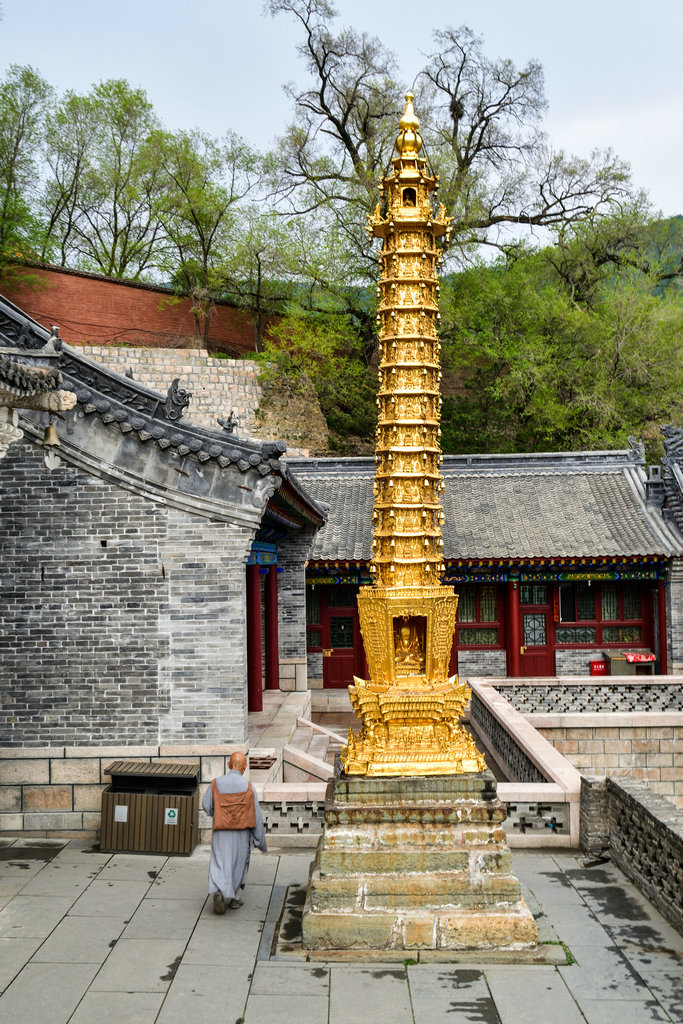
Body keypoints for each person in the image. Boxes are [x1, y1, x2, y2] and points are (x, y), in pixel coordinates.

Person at [201, 751, 267, 914]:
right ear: (244, 768)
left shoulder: (216, 783)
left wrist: (216, 813)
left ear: (228, 765)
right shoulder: (249, 787)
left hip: (221, 831)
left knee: (219, 861)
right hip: (241, 833)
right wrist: (260, 841)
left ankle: (218, 890)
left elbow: (206, 805)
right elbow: (256, 816)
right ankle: (234, 898)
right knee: (239, 863)